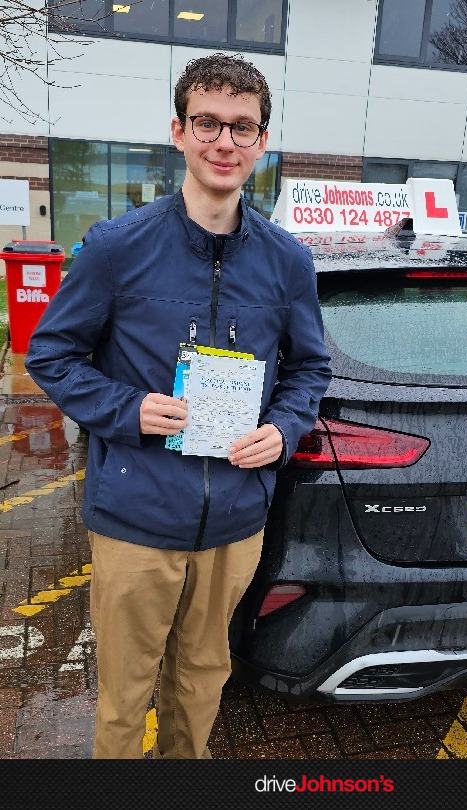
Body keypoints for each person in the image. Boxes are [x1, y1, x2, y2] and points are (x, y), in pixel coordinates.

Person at [25, 52, 332, 759]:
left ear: (261, 141)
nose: (224, 141)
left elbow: (309, 367)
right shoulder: (116, 247)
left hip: (234, 520)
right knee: (124, 697)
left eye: (242, 127)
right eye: (207, 123)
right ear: (179, 131)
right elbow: (52, 355)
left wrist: (284, 429)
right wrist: (126, 408)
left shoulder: (287, 260)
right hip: (136, 517)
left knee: (200, 685)